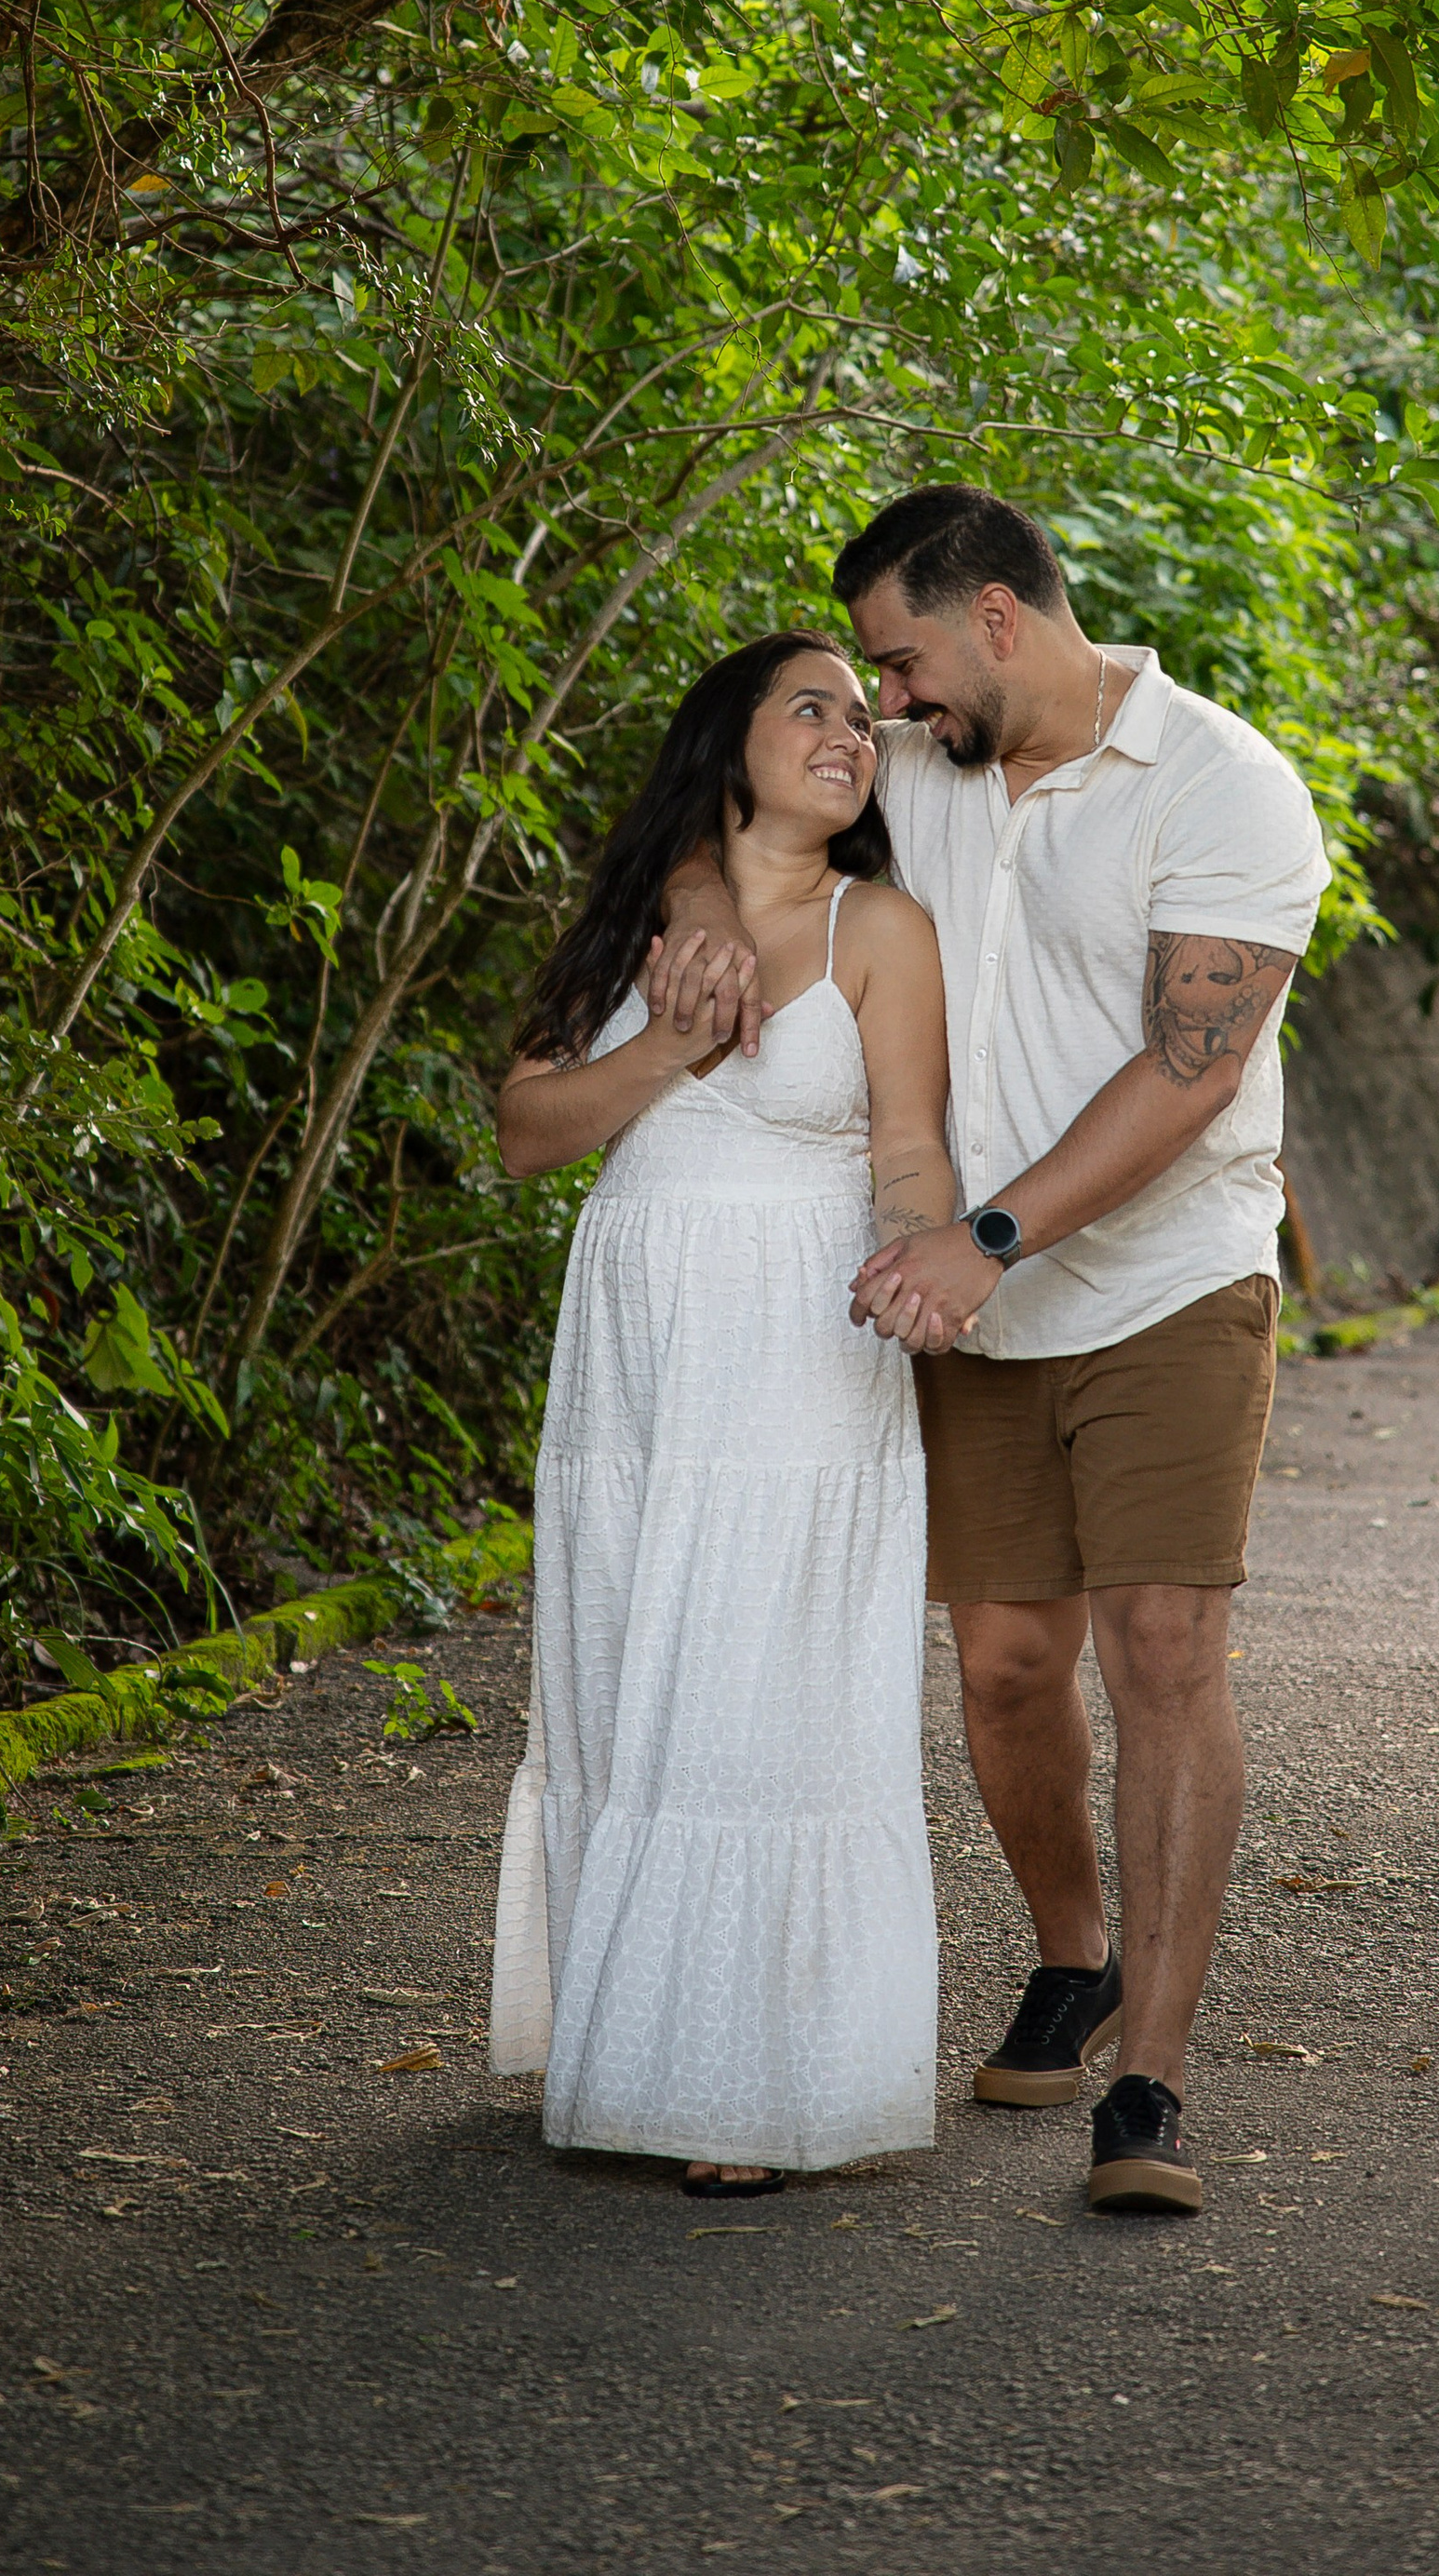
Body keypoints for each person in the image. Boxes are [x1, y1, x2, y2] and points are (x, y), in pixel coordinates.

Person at [666, 490, 1329, 2215]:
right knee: (1007, 1668)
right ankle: (1075, 1951)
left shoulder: (1223, 785)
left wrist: (985, 1237)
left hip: (1167, 1282)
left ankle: (1156, 2088)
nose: (884, 703)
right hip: (983, 1307)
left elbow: (1190, 1071)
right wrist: (694, 912)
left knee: (1164, 1649)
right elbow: (746, 807)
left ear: (999, 623)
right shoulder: (928, 763)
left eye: (900, 660)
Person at [486, 632, 956, 2193]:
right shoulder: (641, 912)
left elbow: (909, 1145)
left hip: (799, 1340)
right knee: (636, 1662)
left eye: (860, 718)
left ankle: (747, 2087)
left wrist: (930, 1264)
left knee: (768, 1682)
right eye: (807, 707)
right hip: (636, 1341)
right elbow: (525, 1133)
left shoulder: (882, 925)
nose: (846, 733)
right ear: (730, 737)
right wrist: (678, 1045)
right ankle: (633, 2045)